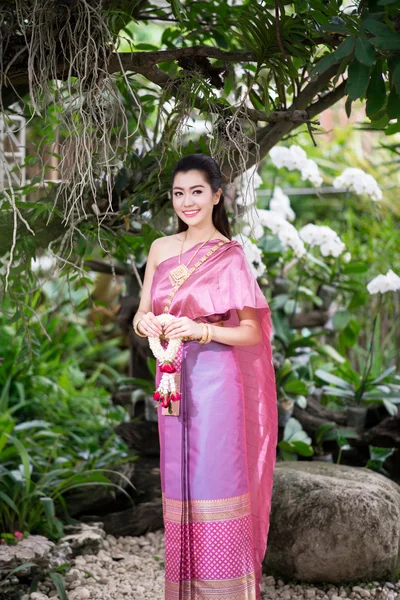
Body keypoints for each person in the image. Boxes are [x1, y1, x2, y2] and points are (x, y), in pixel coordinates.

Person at [132, 153, 278, 600]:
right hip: (171, 381)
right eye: (179, 193)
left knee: (214, 481)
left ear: (216, 196)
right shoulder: (159, 248)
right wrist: (149, 325)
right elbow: (141, 314)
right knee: (178, 480)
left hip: (216, 383)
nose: (187, 202)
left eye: (197, 192)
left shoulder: (229, 257)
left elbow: (252, 330)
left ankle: (225, 592)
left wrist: (201, 328)